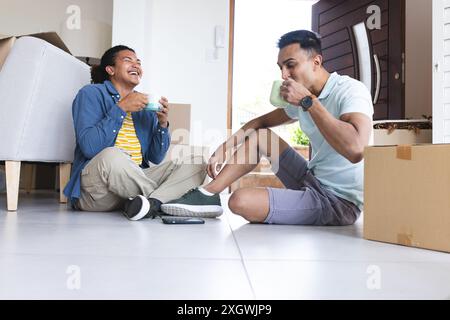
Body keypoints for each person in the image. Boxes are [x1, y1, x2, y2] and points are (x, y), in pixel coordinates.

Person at [161, 30, 374, 226]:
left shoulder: (350, 91)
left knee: (239, 201)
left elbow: (356, 149)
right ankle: (208, 194)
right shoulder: (303, 99)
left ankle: (210, 197)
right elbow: (258, 124)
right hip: (312, 178)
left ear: (316, 62)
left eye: (290, 65)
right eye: (281, 67)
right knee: (262, 136)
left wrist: (308, 102)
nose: (284, 74)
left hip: (337, 201)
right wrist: (223, 149)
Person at [63, 45, 207, 221]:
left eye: (138, 62)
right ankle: (168, 199)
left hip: (132, 185)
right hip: (98, 189)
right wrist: (121, 108)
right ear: (110, 69)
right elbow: (89, 147)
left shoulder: (145, 105)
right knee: (112, 155)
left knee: (198, 162)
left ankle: (151, 204)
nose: (136, 65)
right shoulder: (91, 93)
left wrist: (162, 124)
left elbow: (156, 157)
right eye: (128, 60)